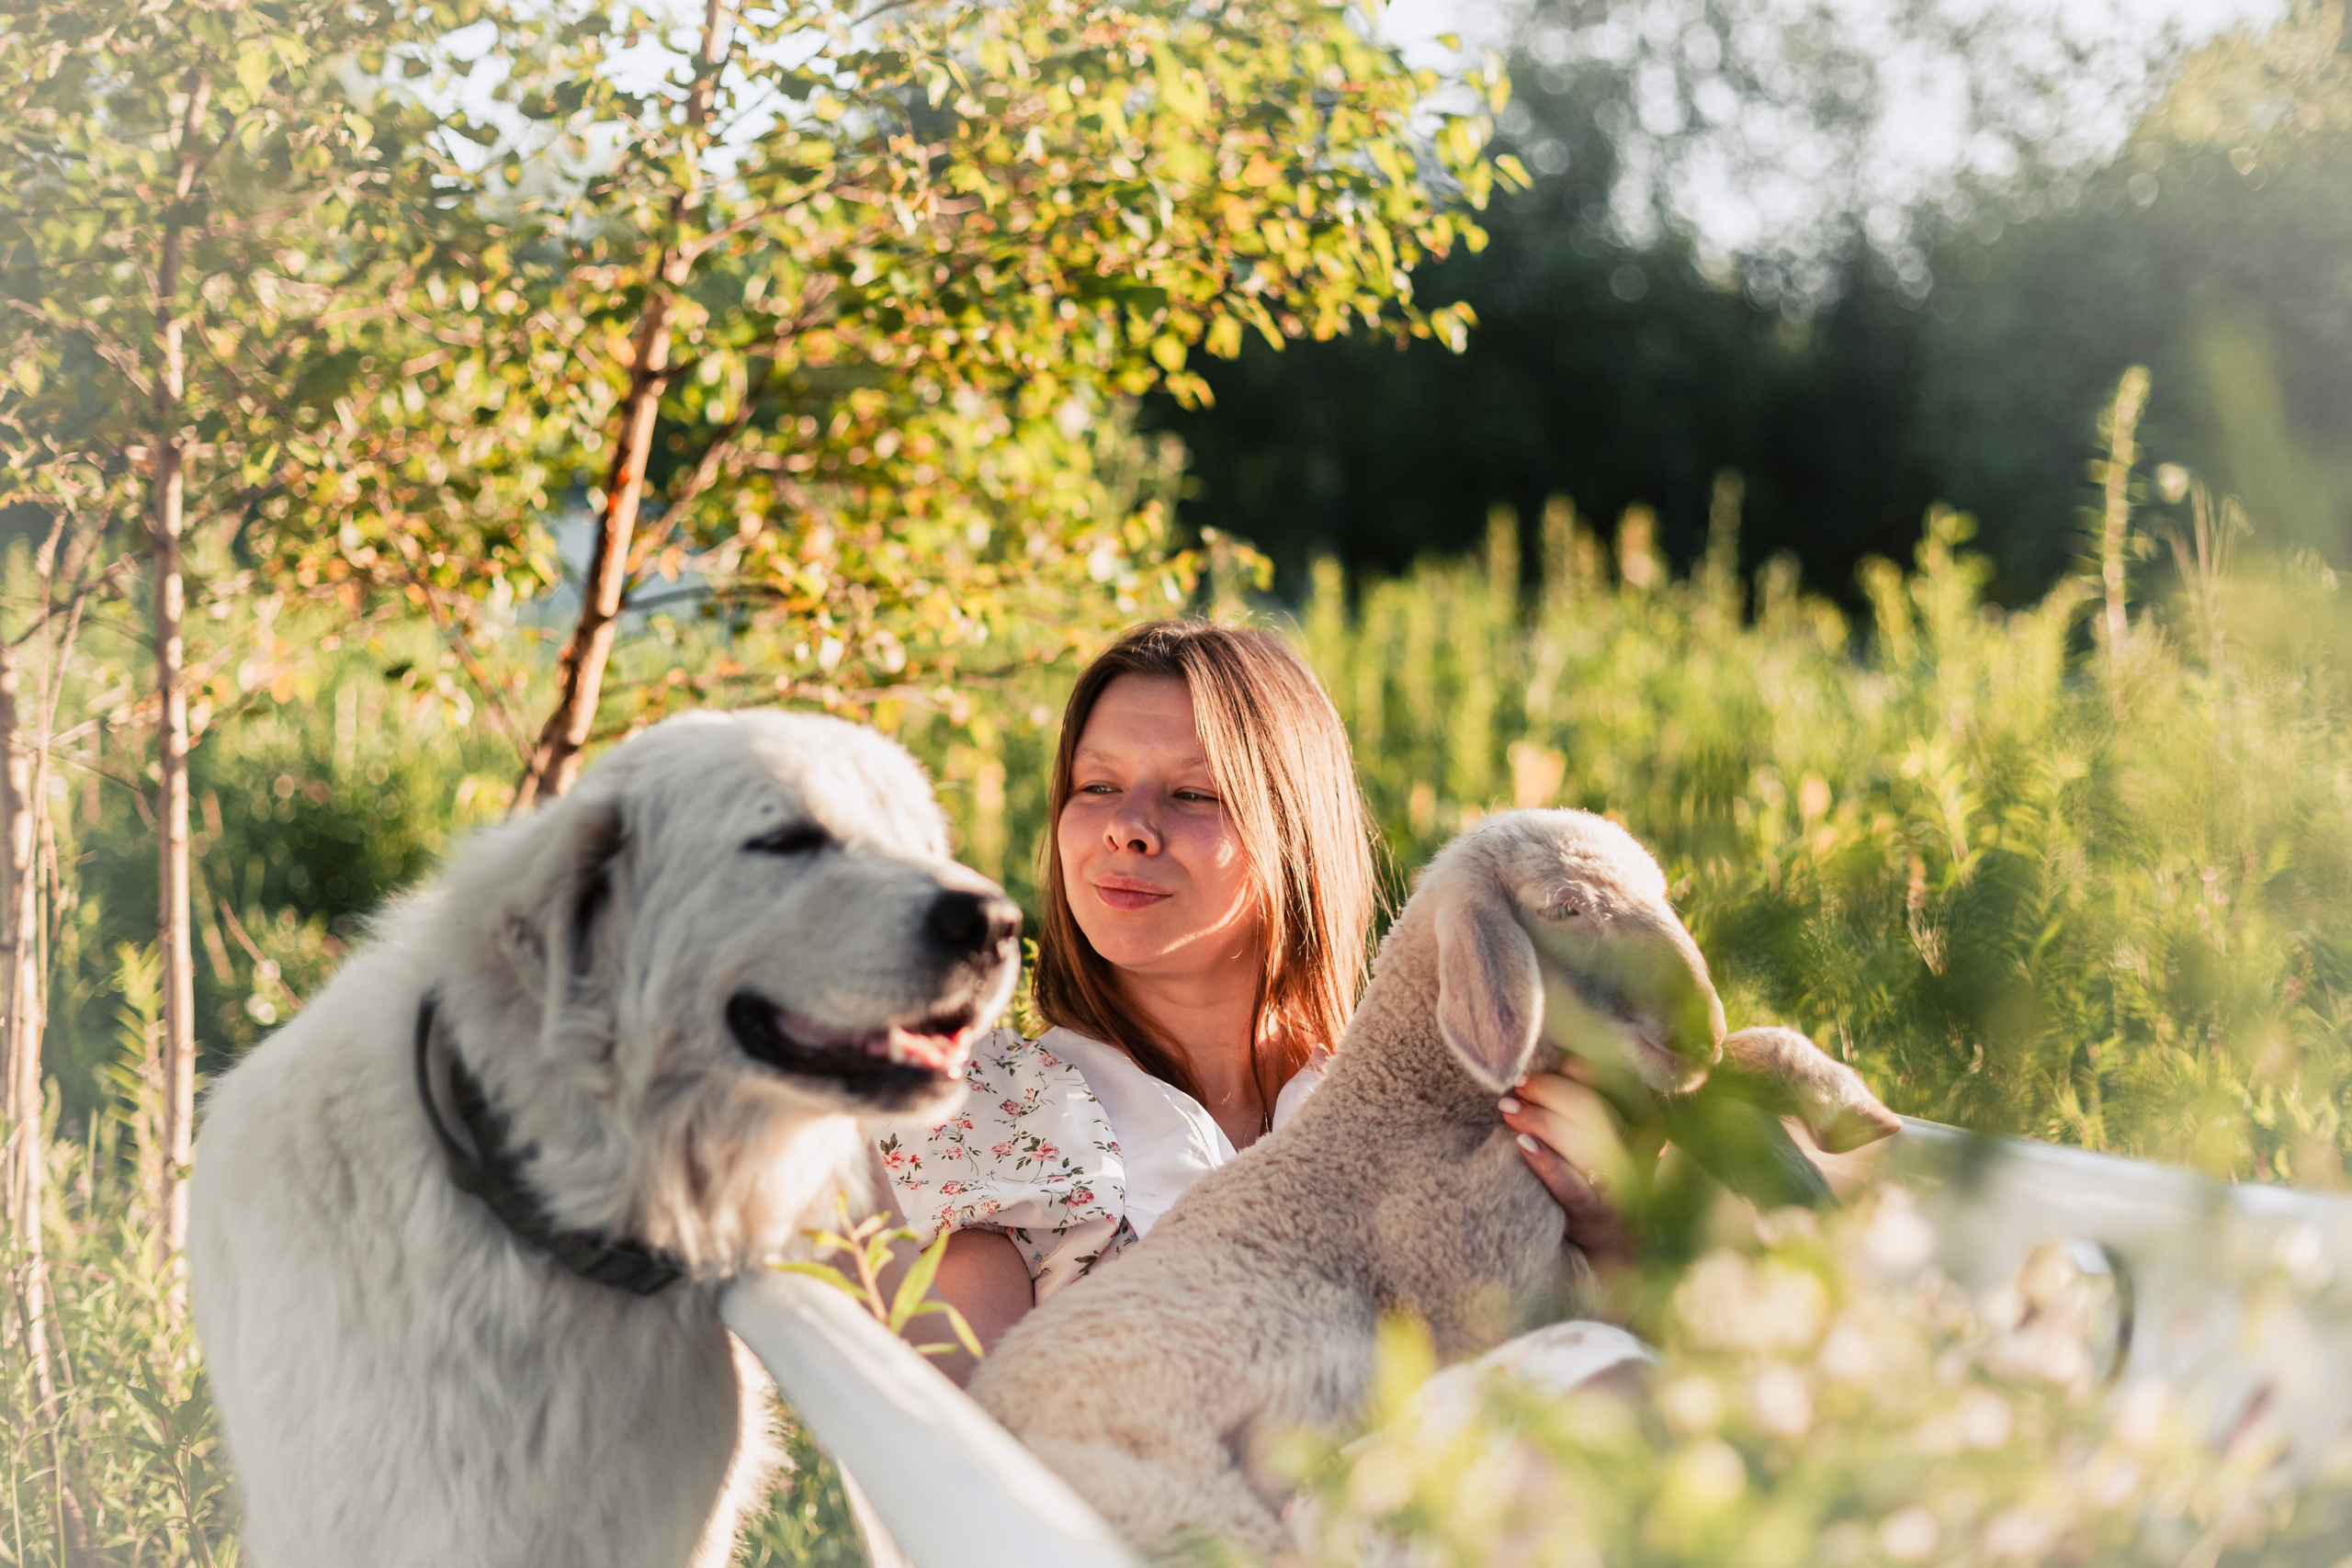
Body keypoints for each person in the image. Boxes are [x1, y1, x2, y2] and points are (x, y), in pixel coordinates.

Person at [879, 619, 1645, 1383]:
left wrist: (1609, 1237)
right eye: (1098, 786)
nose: (1128, 827)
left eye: (1192, 793)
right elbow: (965, 1458)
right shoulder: (994, 1113)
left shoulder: (1419, 1112)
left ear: (1292, 832)